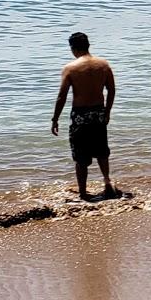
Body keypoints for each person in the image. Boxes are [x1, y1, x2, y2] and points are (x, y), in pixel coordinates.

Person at [51, 32, 118, 201]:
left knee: (81, 156)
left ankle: (83, 192)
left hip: (80, 116)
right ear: (88, 45)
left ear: (73, 48)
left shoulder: (70, 68)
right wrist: (107, 111)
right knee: (102, 151)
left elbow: (62, 96)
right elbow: (111, 90)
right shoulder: (103, 65)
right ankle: (107, 182)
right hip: (98, 113)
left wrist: (55, 119)